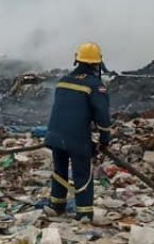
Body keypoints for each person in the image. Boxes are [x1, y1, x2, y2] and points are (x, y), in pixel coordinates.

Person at [43, 42, 112, 222]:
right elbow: (103, 117)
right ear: (97, 64)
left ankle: (56, 206)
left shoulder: (63, 81)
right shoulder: (95, 85)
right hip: (76, 139)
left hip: (55, 135)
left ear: (77, 60)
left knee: (60, 170)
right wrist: (105, 140)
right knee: (82, 174)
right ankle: (84, 213)